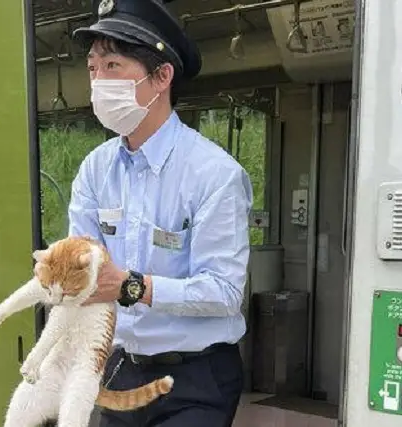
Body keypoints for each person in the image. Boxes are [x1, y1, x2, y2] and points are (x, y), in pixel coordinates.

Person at [67, 0, 253, 425]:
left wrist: (131, 286)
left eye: (113, 65)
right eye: (93, 68)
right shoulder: (95, 169)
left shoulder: (213, 174)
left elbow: (224, 291)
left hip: (196, 375)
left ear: (161, 76)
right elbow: (84, 268)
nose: (98, 81)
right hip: (119, 367)